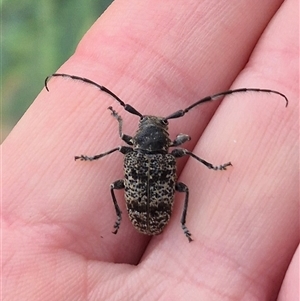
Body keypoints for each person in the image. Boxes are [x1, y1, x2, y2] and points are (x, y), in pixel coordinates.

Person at [3, 1, 298, 300]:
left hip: (145, 216)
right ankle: (187, 210)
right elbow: (182, 152)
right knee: (183, 186)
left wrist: (116, 125)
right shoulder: (170, 155)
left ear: (140, 138)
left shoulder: (130, 152)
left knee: (114, 184)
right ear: (165, 138)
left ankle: (145, 216)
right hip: (153, 217)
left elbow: (123, 140)